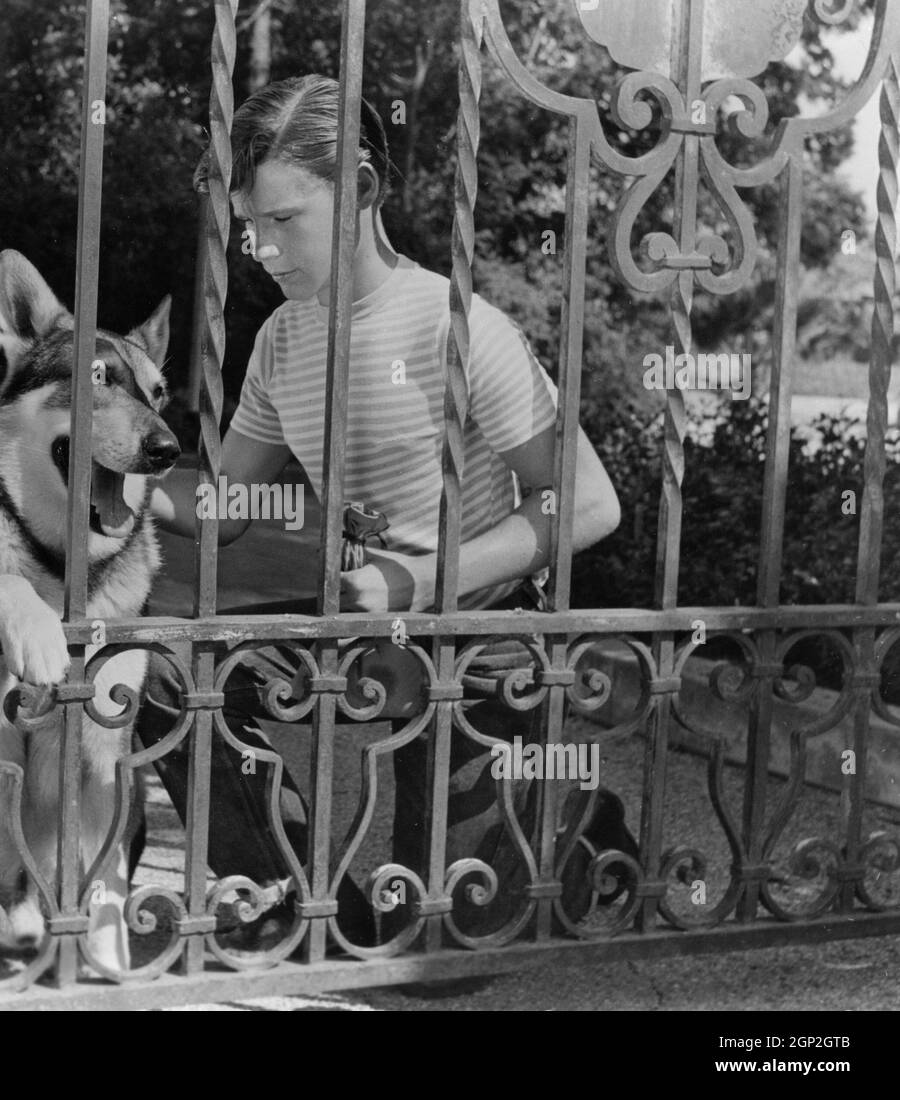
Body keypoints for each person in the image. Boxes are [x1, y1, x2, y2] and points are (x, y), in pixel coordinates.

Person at [139, 73, 630, 949]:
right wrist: (112, 485)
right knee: (164, 671)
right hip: (363, 636)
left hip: (481, 639)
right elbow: (228, 507)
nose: (261, 249)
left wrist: (417, 579)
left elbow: (587, 502)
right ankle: (304, 902)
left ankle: (581, 831)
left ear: (360, 190)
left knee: (446, 947)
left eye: (283, 221)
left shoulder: (460, 325)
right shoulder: (283, 341)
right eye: (250, 226)